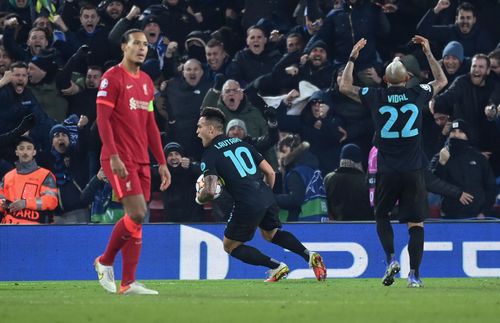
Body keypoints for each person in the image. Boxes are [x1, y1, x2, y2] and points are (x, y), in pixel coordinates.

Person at [339, 35, 448, 287]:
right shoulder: (418, 93)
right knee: (416, 223)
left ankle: (390, 260)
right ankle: (415, 276)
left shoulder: (376, 95)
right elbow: (442, 80)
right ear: (407, 78)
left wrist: (353, 56)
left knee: (381, 214)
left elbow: (345, 86)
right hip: (413, 169)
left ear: (386, 79)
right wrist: (428, 52)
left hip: (387, 170)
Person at [195, 107, 326, 282]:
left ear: (211, 129)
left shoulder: (210, 155)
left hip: (246, 202)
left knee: (230, 245)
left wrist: (199, 197)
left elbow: (210, 191)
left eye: (200, 127)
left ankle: (277, 267)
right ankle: (309, 255)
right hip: (265, 195)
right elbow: (270, 172)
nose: (197, 132)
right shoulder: (242, 144)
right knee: (270, 233)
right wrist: (264, 196)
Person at [94, 29, 171, 295]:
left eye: (145, 45)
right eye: (136, 44)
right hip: (119, 157)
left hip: (141, 159)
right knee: (137, 212)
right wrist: (113, 155)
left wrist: (161, 161)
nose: (141, 48)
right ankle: (104, 261)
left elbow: (150, 125)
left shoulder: (148, 82)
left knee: (136, 218)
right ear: (124, 47)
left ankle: (127, 283)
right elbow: (102, 119)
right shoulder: (111, 78)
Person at [429, 119, 497, 219]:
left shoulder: (479, 158)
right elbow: (432, 184)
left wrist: (484, 212)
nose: (456, 135)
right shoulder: (441, 156)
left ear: (467, 135)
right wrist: (441, 163)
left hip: (478, 217)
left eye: (461, 132)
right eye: (453, 131)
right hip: (450, 216)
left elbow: (491, 187)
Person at [0, 136, 58, 224]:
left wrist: (26, 203)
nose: (25, 152)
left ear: (34, 152)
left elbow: (51, 200)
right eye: (21, 148)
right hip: (9, 230)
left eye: (29, 148)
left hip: (36, 230)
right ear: (16, 152)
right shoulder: (8, 176)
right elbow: (1, 199)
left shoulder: (46, 175)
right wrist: (4, 204)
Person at [323, 143, 373, 221]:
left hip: (335, 227)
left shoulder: (329, 178)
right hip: (363, 227)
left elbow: (324, 205)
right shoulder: (365, 180)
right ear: (359, 161)